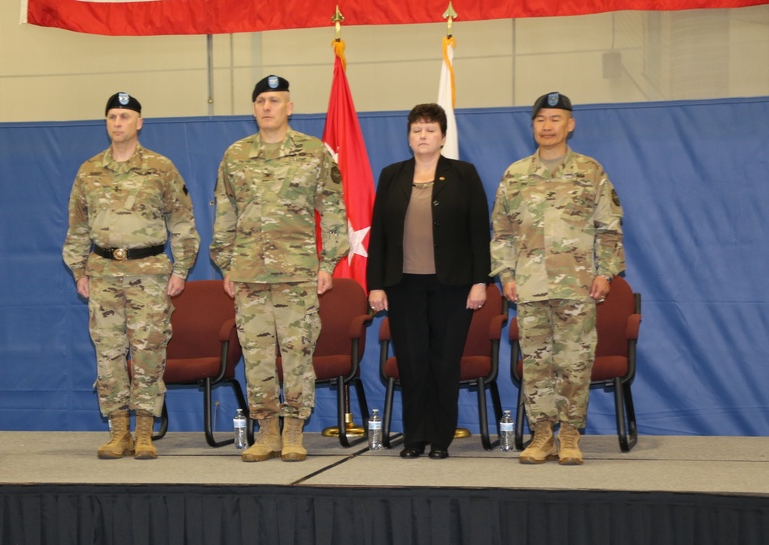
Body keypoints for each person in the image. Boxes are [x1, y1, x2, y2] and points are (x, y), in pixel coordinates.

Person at [211, 74, 349, 463]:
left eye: (275, 101)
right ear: (253, 108)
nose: (267, 107)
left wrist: (328, 263)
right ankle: (267, 432)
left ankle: (293, 431)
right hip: (249, 274)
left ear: (290, 107)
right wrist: (226, 263)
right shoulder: (236, 155)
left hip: (298, 273)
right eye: (261, 102)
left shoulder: (313, 152)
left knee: (296, 355)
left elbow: (334, 210)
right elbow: (225, 212)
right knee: (256, 356)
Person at [490, 92, 626, 465]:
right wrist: (505, 275)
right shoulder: (515, 174)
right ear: (532, 125)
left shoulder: (590, 171)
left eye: (555, 119)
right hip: (529, 286)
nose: (547, 127)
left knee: (574, 361)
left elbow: (609, 228)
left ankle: (569, 435)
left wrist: (605, 273)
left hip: (577, 285)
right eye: (540, 120)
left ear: (571, 124)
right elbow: (501, 231)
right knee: (536, 364)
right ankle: (541, 436)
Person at [63, 91, 199, 460]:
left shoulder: (161, 168)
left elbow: (182, 222)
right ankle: (117, 431)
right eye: (112, 117)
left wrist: (182, 269)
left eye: (125, 116)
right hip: (103, 272)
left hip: (150, 274)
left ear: (139, 122)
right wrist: (79, 269)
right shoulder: (89, 170)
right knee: (108, 355)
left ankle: (144, 432)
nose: (118, 123)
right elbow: (77, 226)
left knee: (147, 353)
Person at [366, 103, 491, 460]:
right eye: (417, 130)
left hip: (453, 285)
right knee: (412, 361)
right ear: (408, 137)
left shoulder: (463, 174)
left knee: (444, 361)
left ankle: (440, 439)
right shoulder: (392, 175)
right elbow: (380, 237)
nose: (423, 136)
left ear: (443, 137)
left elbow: (479, 232)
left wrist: (480, 281)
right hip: (403, 285)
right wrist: (376, 284)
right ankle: (414, 437)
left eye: (430, 130)